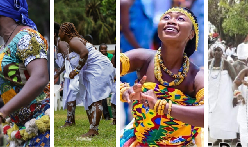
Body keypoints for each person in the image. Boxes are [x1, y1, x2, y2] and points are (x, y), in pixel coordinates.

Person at [120, 7, 204, 146]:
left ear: (191, 34)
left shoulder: (196, 76)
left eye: (180, 19)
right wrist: (124, 91)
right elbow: (104, 67)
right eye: (166, 18)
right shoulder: (143, 58)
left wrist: (162, 106)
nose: (171, 21)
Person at [0, 0, 50, 146]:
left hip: (43, 123)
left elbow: (40, 77)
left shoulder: (27, 37)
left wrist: (1, 113)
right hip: (20, 129)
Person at [58, 22, 114, 137]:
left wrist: (76, 70)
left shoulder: (74, 41)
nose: (59, 34)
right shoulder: (72, 42)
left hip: (98, 69)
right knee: (87, 98)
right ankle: (92, 128)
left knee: (96, 98)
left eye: (60, 31)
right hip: (88, 70)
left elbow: (85, 52)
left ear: (65, 32)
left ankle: (93, 130)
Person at [208, 43, 238, 145]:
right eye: (215, 50)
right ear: (212, 52)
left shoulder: (226, 64)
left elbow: (235, 80)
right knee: (215, 116)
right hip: (212, 96)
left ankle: (228, 137)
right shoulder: (208, 63)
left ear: (223, 52)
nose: (217, 52)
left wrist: (235, 96)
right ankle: (218, 138)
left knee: (226, 115)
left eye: (219, 50)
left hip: (225, 94)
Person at [54, 22, 80, 128]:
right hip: (68, 74)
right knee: (69, 96)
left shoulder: (61, 43)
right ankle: (71, 120)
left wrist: (58, 73)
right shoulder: (58, 43)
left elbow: (68, 60)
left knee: (70, 96)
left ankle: (69, 121)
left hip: (72, 73)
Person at [99, 43, 112, 120]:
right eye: (102, 49)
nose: (103, 50)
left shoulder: (111, 56)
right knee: (103, 97)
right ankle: (106, 115)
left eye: (105, 49)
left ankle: (112, 115)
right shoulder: (98, 57)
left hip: (110, 78)